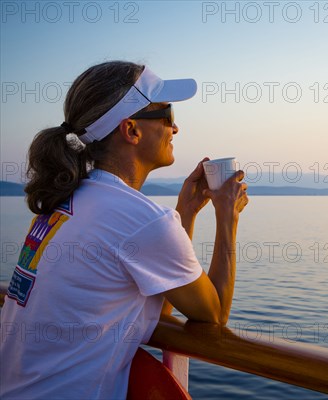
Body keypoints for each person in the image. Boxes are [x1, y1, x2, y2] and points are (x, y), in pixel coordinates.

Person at [0, 61, 248, 399]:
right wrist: (227, 216)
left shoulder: (64, 203)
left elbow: (160, 303)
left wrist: (185, 214)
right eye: (167, 114)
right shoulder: (141, 220)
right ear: (131, 130)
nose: (175, 129)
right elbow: (214, 314)